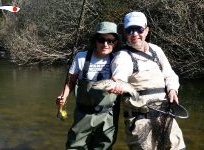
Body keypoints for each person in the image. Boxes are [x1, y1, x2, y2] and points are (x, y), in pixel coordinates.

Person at [110, 11, 186, 150]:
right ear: (125, 33)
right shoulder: (122, 57)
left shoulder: (156, 50)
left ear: (146, 30)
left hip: (166, 115)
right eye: (129, 30)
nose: (134, 34)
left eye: (139, 29)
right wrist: (117, 83)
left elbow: (170, 74)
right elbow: (119, 75)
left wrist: (172, 89)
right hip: (140, 121)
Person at [56, 21, 121, 150]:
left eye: (110, 41)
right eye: (101, 40)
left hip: (108, 115)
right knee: (75, 146)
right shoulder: (81, 57)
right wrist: (63, 96)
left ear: (116, 42)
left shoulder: (119, 59)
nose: (105, 44)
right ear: (95, 40)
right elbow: (71, 81)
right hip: (83, 114)